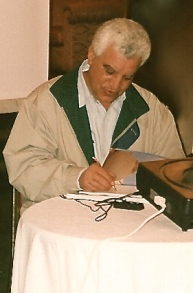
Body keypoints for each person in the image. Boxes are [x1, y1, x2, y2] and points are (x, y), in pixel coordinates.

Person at [3, 18, 185, 206]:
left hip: (129, 225)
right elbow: (23, 167)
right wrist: (76, 178)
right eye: (109, 71)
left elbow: (174, 174)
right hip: (62, 223)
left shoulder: (152, 111)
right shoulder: (45, 101)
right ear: (91, 54)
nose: (115, 86)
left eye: (127, 77)